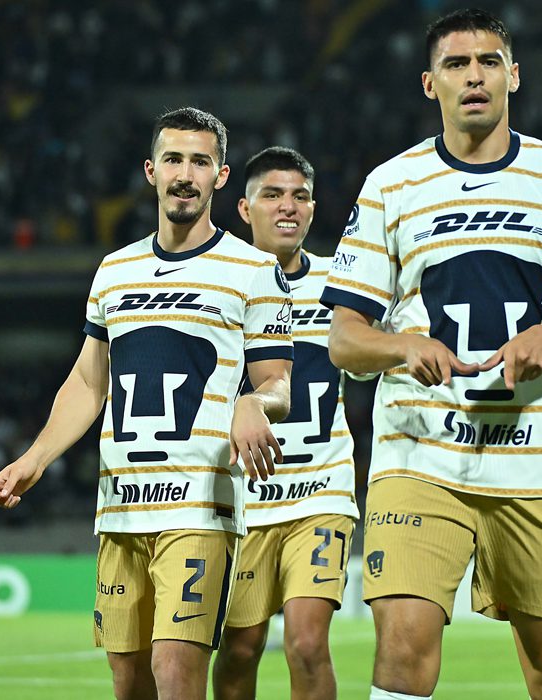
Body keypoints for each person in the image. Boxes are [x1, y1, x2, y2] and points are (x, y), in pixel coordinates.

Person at [320, 9, 542, 700]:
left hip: (540, 459)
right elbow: (345, 338)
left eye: (488, 61)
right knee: (402, 652)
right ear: (429, 84)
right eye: (457, 65)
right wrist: (401, 345)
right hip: (420, 454)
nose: (474, 76)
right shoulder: (390, 185)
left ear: (513, 75)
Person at [0, 107, 294, 700]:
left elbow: (277, 380)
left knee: (176, 673)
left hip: (200, 508)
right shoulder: (115, 270)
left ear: (220, 177)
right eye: (173, 159)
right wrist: (35, 458)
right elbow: (86, 382)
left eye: (199, 162)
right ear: (151, 171)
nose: (185, 174)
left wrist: (257, 402)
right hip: (120, 508)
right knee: (129, 683)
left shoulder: (254, 270)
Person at [212, 147, 360, 700]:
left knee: (305, 642)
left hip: (322, 492)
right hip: (245, 500)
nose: (287, 207)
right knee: (241, 648)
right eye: (272, 195)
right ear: (245, 209)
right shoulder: (217, 285)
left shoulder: (342, 286)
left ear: (313, 209)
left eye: (299, 196)